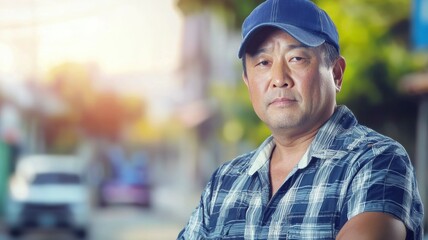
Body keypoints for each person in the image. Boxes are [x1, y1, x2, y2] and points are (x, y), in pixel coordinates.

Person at [177, 0, 424, 239]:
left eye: (296, 59)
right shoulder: (224, 181)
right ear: (247, 82)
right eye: (263, 63)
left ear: (336, 74)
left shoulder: (376, 161)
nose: (279, 78)